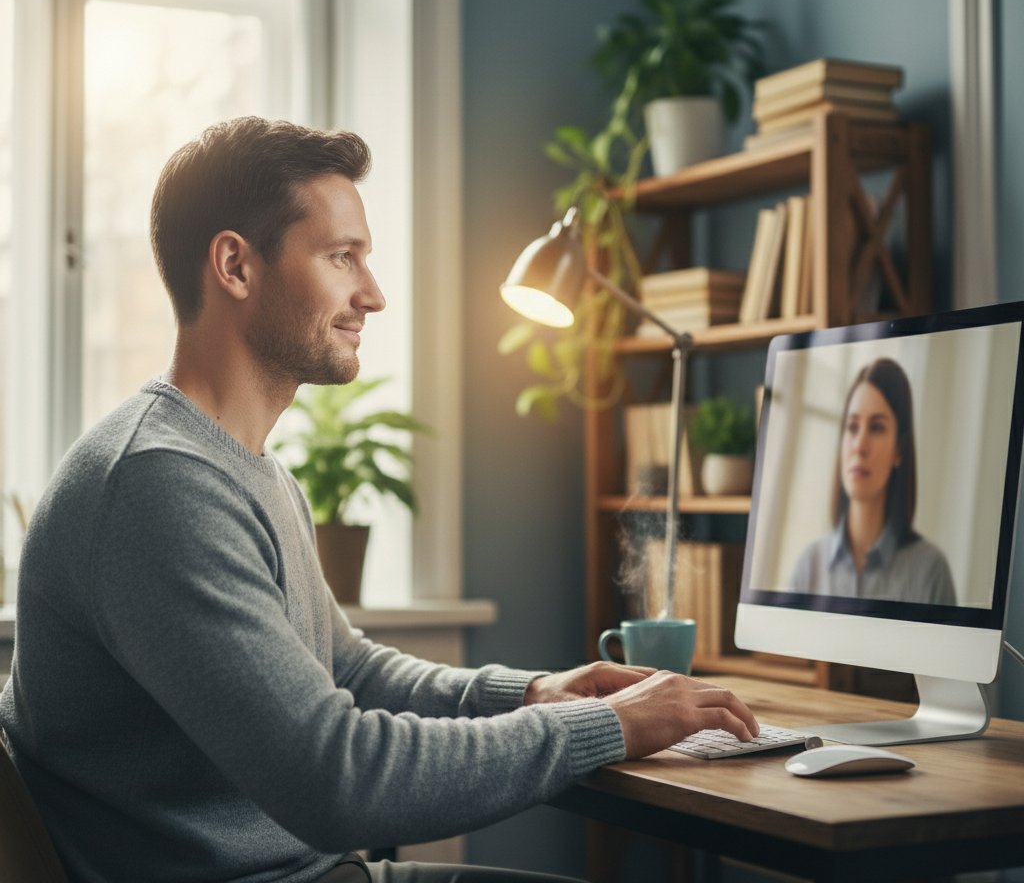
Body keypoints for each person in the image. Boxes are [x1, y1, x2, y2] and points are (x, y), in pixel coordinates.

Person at [0, 117, 759, 883]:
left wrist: (533, 693)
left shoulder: (240, 466)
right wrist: (600, 728)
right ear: (235, 264)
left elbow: (345, 670)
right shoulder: (157, 486)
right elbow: (338, 778)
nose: (375, 294)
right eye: (342, 258)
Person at [788, 356, 956, 605]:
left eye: (876, 428)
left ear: (899, 450)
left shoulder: (931, 571)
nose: (859, 446)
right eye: (852, 427)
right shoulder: (807, 566)